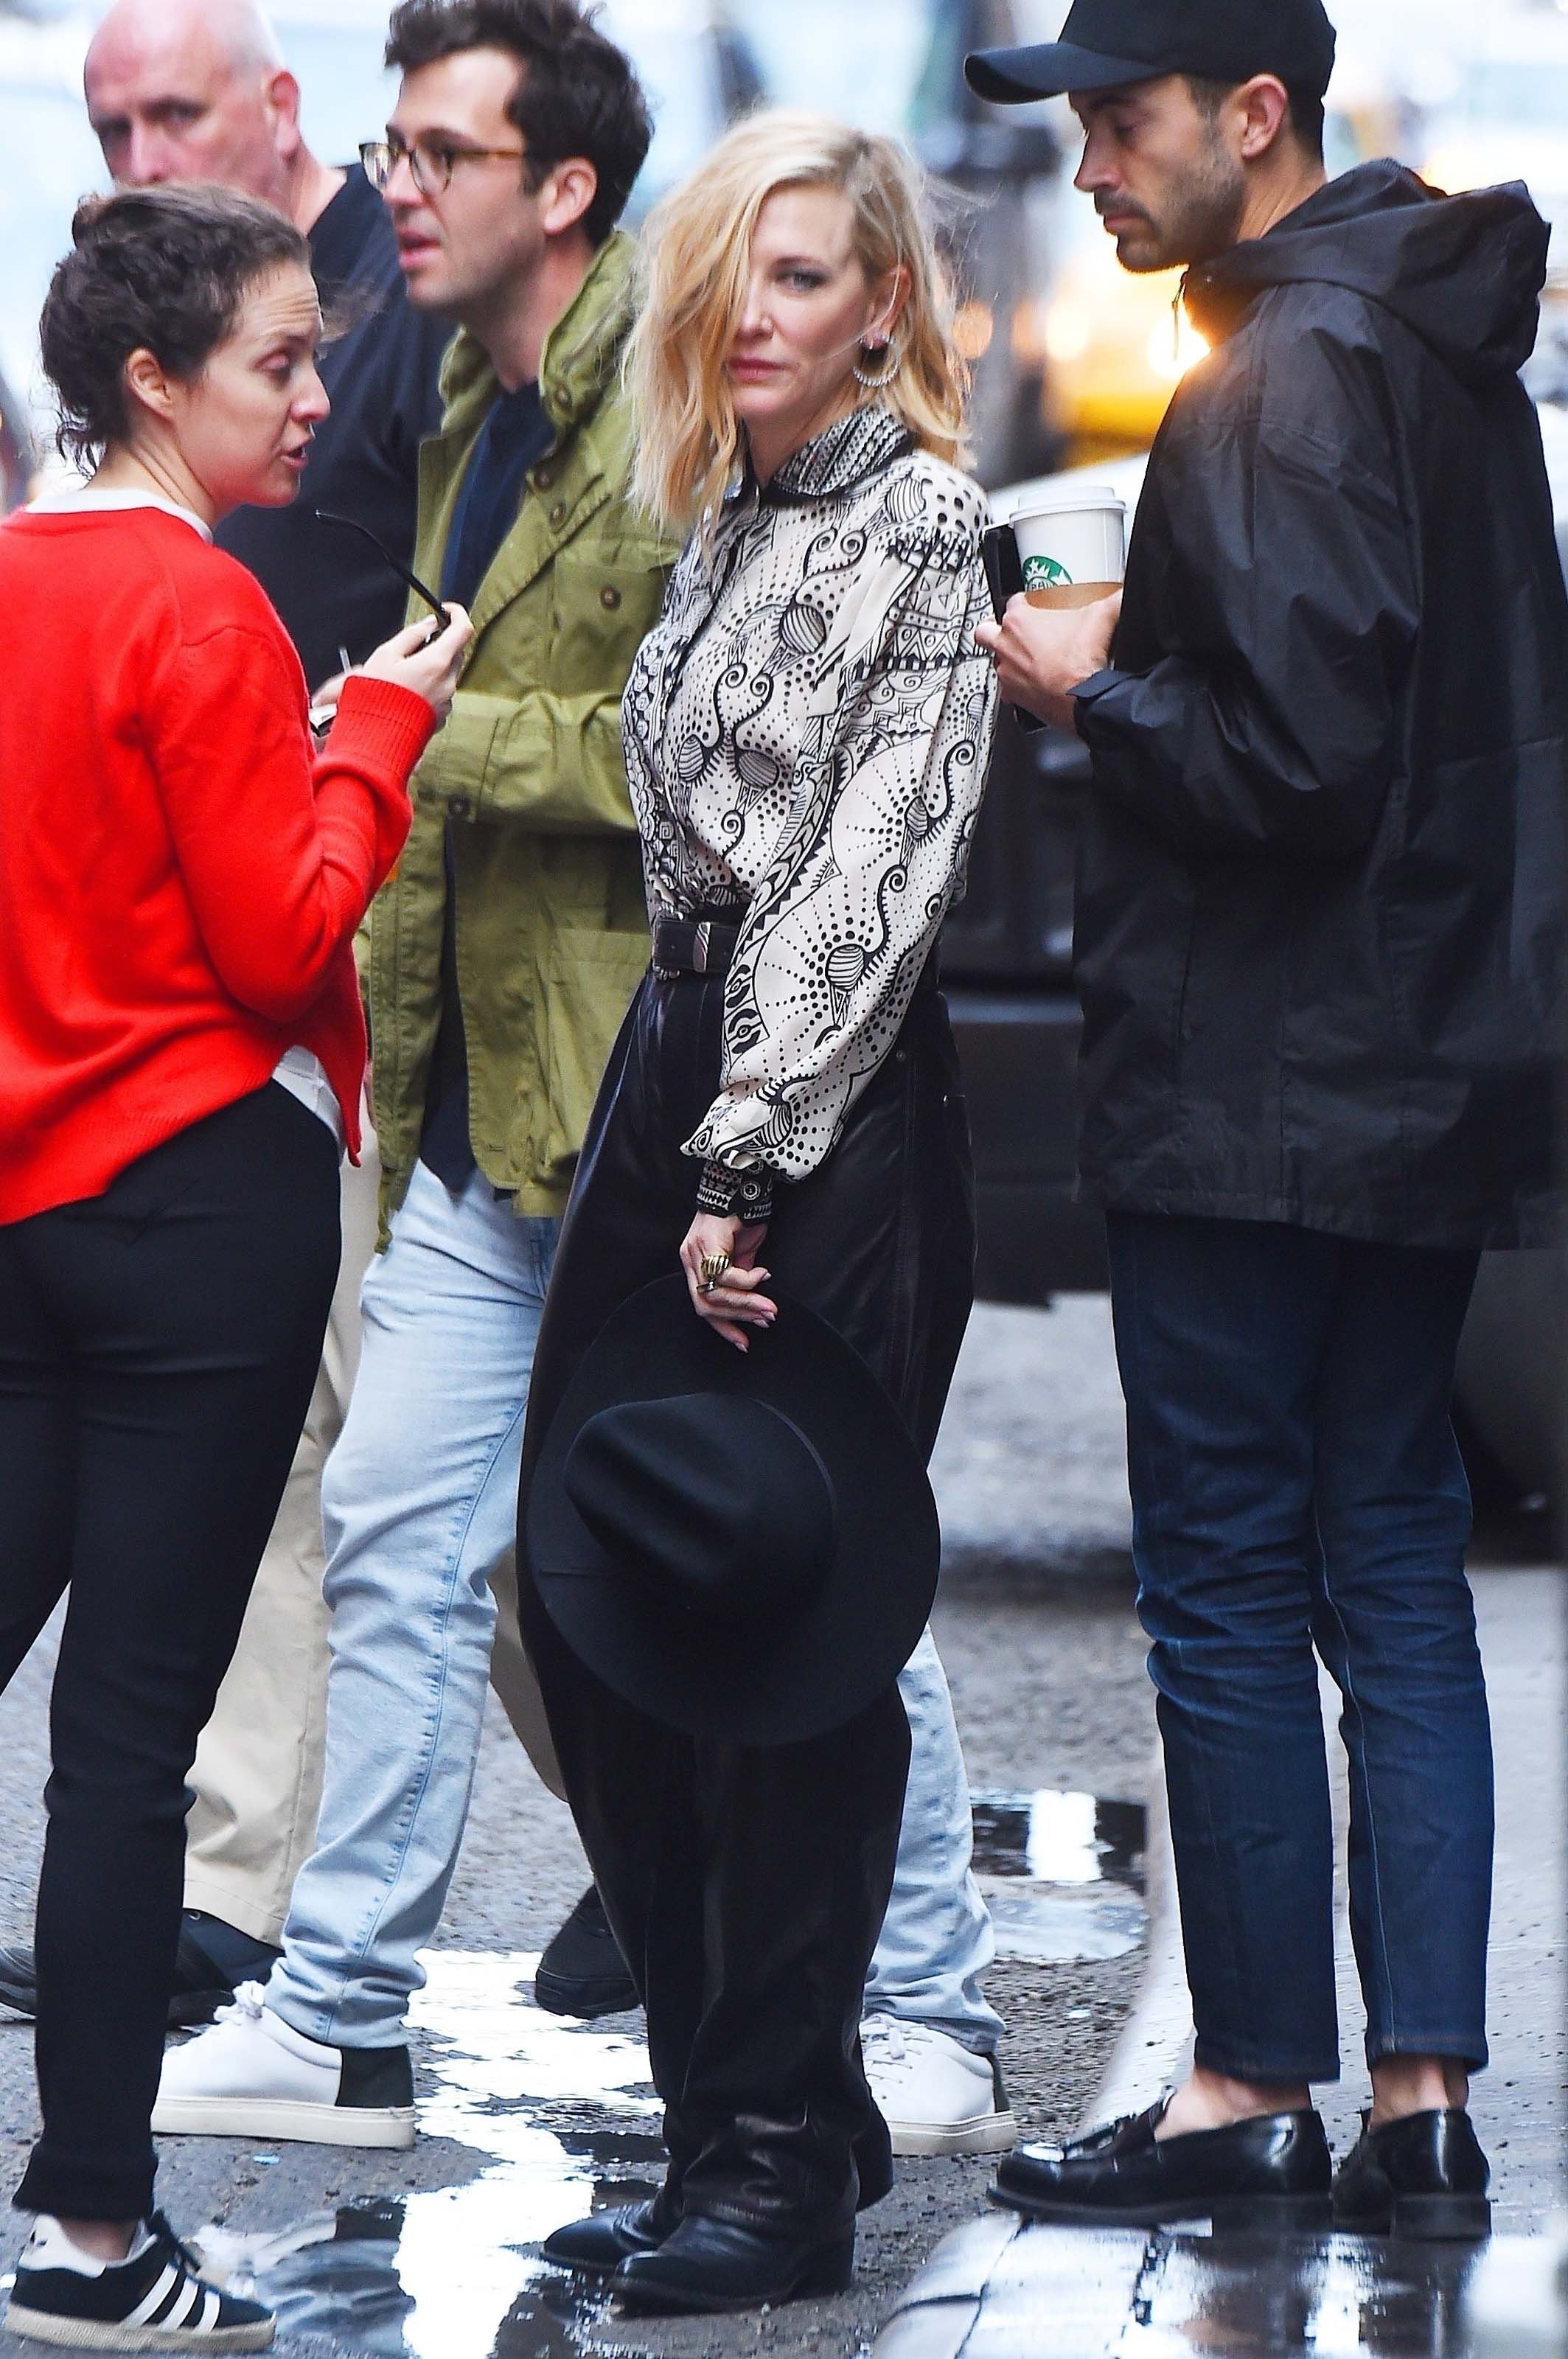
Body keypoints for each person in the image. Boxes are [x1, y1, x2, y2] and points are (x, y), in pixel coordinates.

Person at [157, 0, 1009, 2164]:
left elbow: (816, 847)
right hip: (537, 1091)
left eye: (439, 152)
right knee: (404, 1530)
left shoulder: (796, 459)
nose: (391, 194)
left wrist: (418, 732)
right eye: (392, 145)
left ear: (561, 186)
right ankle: (348, 2009)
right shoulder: (522, 408)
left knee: (800, 1551)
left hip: (725, 1099)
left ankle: (926, 2006)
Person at [967, 0, 1567, 2237]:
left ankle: (1241, 2092)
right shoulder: (1423, 337)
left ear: (1254, 116)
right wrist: (1174, 639)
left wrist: (1087, 677)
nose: (1098, 170)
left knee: (1229, 1580)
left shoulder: (1280, 372)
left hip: (1254, 1082)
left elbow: (1291, 767)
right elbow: (1388, 707)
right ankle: (1418, 2101)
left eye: (1125, 126)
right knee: (1396, 1562)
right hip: (1419, 1069)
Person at [523, 110, 1000, 2315]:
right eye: (732, 277)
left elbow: (870, 878)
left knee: (780, 1635)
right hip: (674, 1064)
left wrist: (745, 1161)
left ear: (885, 305)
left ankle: (778, 2148)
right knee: (590, 1592)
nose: (755, 315)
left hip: (826, 1114)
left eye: (804, 277)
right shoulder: (725, 519)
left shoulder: (924, 525)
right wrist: (673, 1121)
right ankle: (748, 2088)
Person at [0, 183, 470, 2349]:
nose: (316, 394)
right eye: (279, 361)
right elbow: (282, 939)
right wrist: (372, 735)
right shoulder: (203, 615)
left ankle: (96, 2224)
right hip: (200, 1210)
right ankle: (92, 2236)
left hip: (22, 1210)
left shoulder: (9, 585)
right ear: (150, 383)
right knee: (125, 1756)